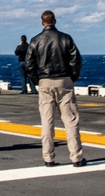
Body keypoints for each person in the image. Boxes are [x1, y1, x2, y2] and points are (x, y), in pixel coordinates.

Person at [25, 10, 86, 168]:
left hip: (45, 82)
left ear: (42, 22)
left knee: (47, 121)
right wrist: (72, 77)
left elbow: (29, 64)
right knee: (71, 121)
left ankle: (48, 158)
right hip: (64, 81)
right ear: (55, 21)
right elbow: (76, 60)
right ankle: (76, 157)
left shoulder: (35, 40)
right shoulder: (66, 38)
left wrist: (36, 80)